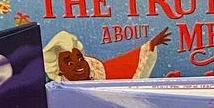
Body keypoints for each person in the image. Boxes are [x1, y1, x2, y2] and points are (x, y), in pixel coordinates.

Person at [42, 28, 171, 82]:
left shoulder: (100, 75)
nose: (78, 64)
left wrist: (150, 45)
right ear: (59, 70)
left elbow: (125, 64)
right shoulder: (56, 90)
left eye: (80, 58)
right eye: (69, 62)